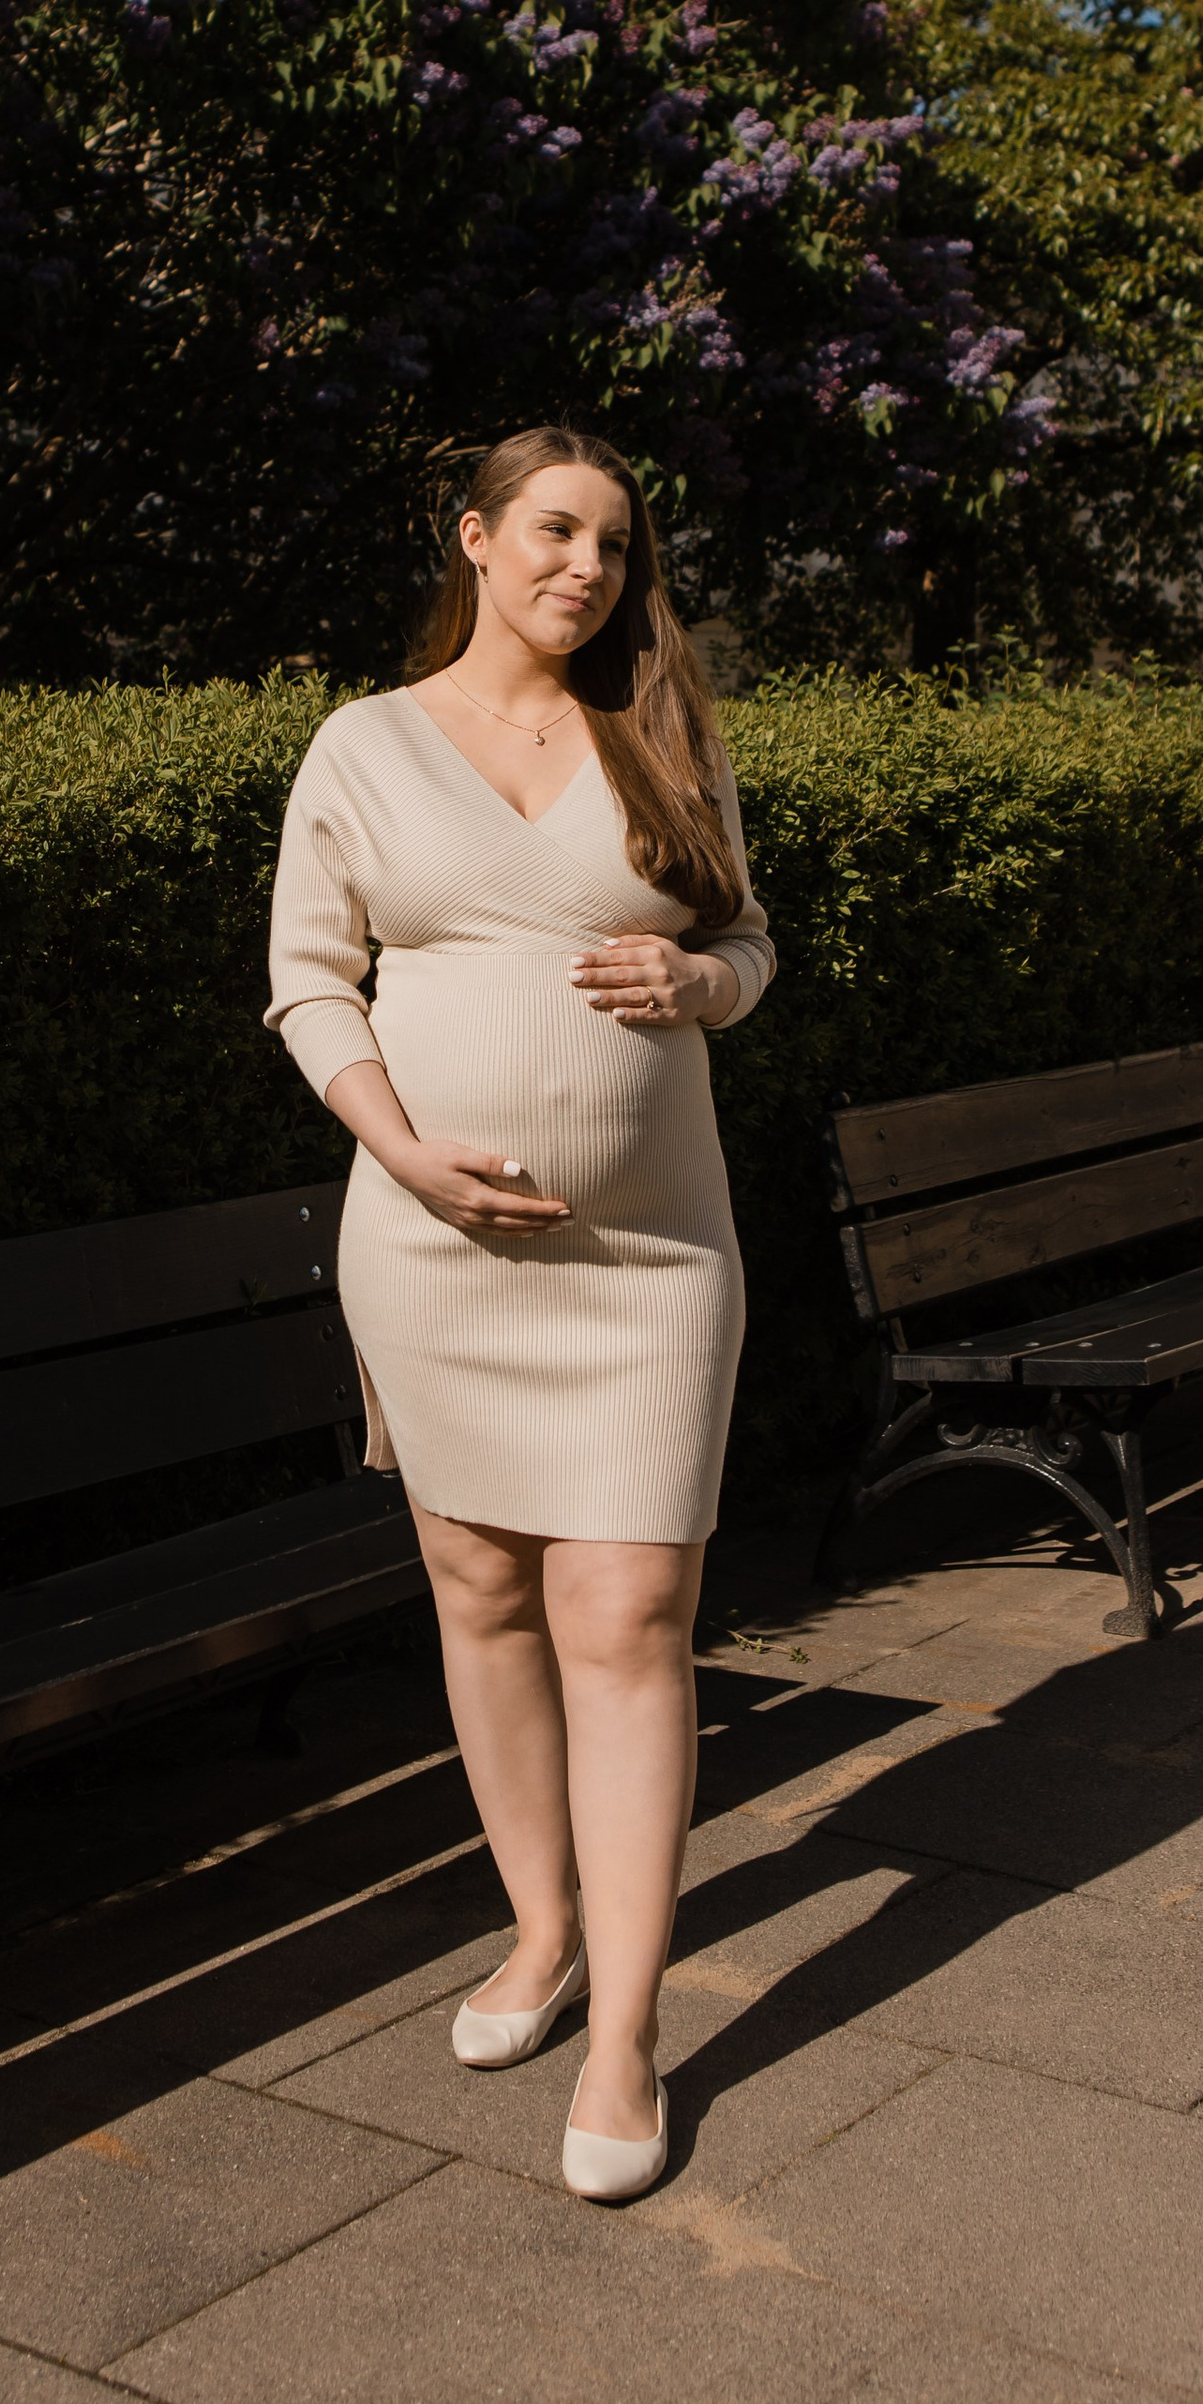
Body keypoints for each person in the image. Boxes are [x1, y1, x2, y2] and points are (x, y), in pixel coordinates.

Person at [264, 424, 775, 2200]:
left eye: (618, 545)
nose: (589, 568)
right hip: (435, 1253)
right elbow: (309, 981)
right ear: (476, 537)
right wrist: (401, 1151)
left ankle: (628, 2030)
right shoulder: (366, 744)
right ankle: (541, 1933)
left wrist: (706, 977)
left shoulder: (663, 732)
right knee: (482, 1589)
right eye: (556, 530)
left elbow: (752, 947)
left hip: (653, 1262)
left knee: (629, 1608)